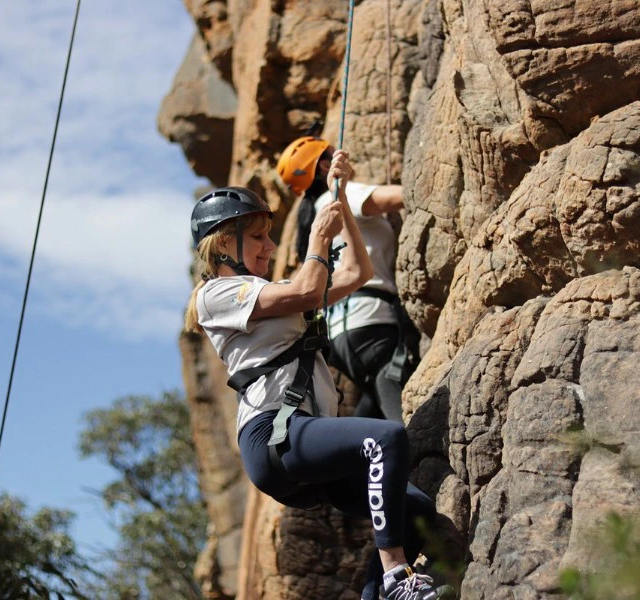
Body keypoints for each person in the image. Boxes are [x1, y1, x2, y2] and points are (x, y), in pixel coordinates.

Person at [184, 150, 453, 600]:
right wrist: (315, 240)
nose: (269, 247)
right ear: (224, 244)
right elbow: (310, 286)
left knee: (414, 512)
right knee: (385, 440)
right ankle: (398, 578)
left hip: (300, 438)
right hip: (272, 433)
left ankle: (382, 592)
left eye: (269, 237)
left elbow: (356, 271)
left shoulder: (273, 291)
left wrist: (339, 197)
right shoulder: (218, 294)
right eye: (256, 237)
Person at [277, 136, 420, 424]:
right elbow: (399, 197)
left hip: (341, 334)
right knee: (400, 414)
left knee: (376, 403)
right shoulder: (340, 196)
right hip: (373, 321)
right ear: (324, 167)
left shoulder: (310, 224)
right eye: (332, 153)